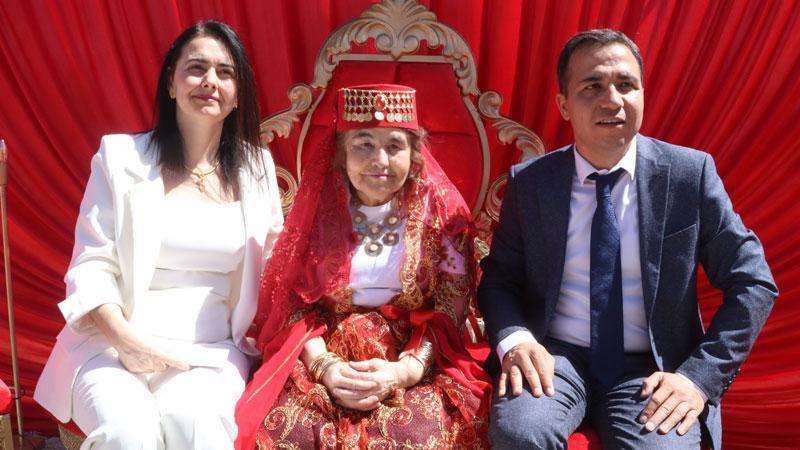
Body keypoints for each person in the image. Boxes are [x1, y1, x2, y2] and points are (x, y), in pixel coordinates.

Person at [478, 29, 777, 449]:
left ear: (643, 94)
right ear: (563, 104)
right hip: (555, 355)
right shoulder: (531, 183)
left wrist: (698, 378)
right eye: (592, 86)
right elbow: (499, 278)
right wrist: (517, 340)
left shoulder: (689, 175)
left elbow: (754, 281)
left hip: (652, 368)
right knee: (521, 433)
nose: (612, 100)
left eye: (626, 84)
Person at [33, 21, 284, 450]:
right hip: (111, 346)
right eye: (196, 68)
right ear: (171, 82)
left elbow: (277, 267)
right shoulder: (121, 158)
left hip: (208, 354)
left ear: (238, 93)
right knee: (128, 433)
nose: (210, 81)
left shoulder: (256, 169)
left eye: (225, 72)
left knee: (198, 428)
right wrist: (126, 341)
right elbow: (91, 266)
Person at [233, 84, 491, 449]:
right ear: (341, 154)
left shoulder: (443, 216)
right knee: (290, 433)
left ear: (415, 153)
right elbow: (293, 305)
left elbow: (452, 305)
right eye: (364, 145)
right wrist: (326, 368)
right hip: (327, 351)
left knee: (419, 435)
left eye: (394, 146)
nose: (380, 160)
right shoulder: (317, 214)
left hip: (415, 356)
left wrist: (405, 371)